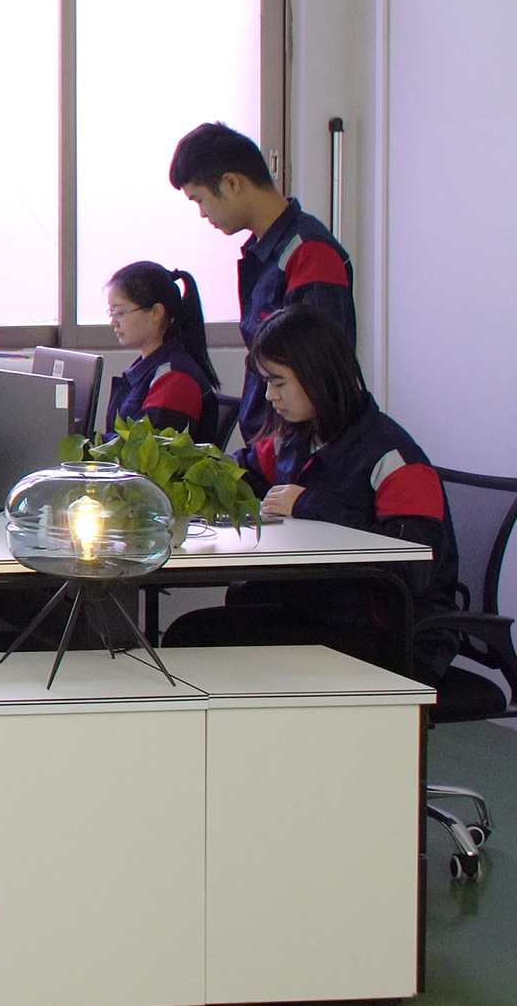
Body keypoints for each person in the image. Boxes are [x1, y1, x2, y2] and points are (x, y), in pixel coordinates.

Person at [164, 306, 459, 683]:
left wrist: (309, 505)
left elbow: (413, 566)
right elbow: (240, 474)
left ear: (316, 374)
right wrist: (176, 471)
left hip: (388, 634)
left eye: (278, 382)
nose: (269, 395)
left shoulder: (395, 459)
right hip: (317, 611)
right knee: (191, 635)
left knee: (198, 644)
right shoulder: (298, 438)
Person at [169, 122, 353, 447]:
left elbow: (317, 378)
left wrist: (281, 455)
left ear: (231, 183)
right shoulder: (264, 253)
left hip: (297, 450)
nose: (202, 214)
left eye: (199, 199)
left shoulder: (309, 252)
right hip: (269, 445)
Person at [103, 262, 220, 440]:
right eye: (110, 312)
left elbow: (146, 448)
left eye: (119, 313)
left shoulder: (175, 378)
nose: (113, 322)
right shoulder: (149, 367)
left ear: (156, 312)